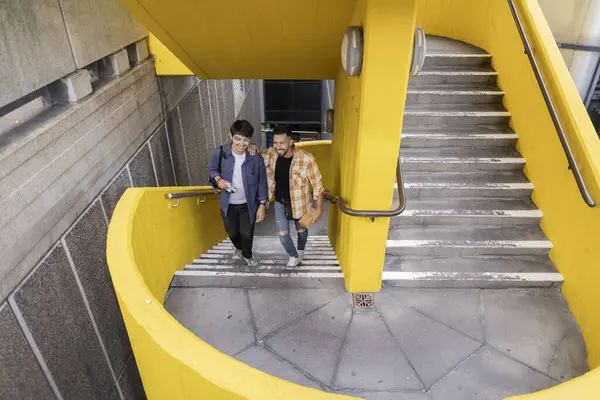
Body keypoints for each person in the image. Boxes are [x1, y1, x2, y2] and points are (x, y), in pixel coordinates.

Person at [262, 125, 324, 267]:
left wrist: (319, 210)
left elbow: (318, 186)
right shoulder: (272, 153)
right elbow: (258, 153)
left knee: (301, 229)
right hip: (279, 201)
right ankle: (293, 255)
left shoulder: (306, 159)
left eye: (282, 143)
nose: (278, 147)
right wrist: (252, 146)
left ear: (290, 141)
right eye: (275, 142)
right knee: (283, 235)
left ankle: (301, 250)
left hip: (300, 203)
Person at [208, 120, 268, 267]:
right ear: (231, 136)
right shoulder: (220, 153)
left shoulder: (255, 158)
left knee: (247, 234)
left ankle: (247, 255)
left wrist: (262, 205)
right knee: (232, 232)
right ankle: (239, 248)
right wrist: (218, 179)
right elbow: (212, 169)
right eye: (238, 139)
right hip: (228, 204)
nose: (242, 144)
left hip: (248, 205)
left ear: (250, 140)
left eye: (246, 140)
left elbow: (262, 182)